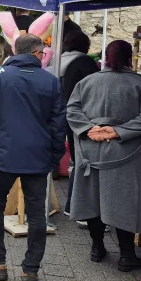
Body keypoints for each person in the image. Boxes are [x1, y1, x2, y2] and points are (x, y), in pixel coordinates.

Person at [0, 34, 66, 281]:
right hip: (37, 156)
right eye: (43, 53)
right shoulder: (51, 82)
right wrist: (54, 156)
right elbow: (59, 124)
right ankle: (30, 269)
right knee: (36, 213)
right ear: (37, 53)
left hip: (2, 154)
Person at [68, 40, 141, 272]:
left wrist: (89, 128)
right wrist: (118, 131)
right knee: (124, 201)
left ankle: (97, 248)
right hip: (126, 150)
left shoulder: (86, 82)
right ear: (129, 58)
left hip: (91, 148)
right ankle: (127, 255)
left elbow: (72, 109)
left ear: (105, 58)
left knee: (92, 199)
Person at [57, 30, 100, 215]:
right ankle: (76, 207)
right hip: (83, 116)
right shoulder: (84, 63)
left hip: (66, 114)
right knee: (83, 161)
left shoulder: (60, 61)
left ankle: (71, 206)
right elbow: (96, 90)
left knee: (77, 160)